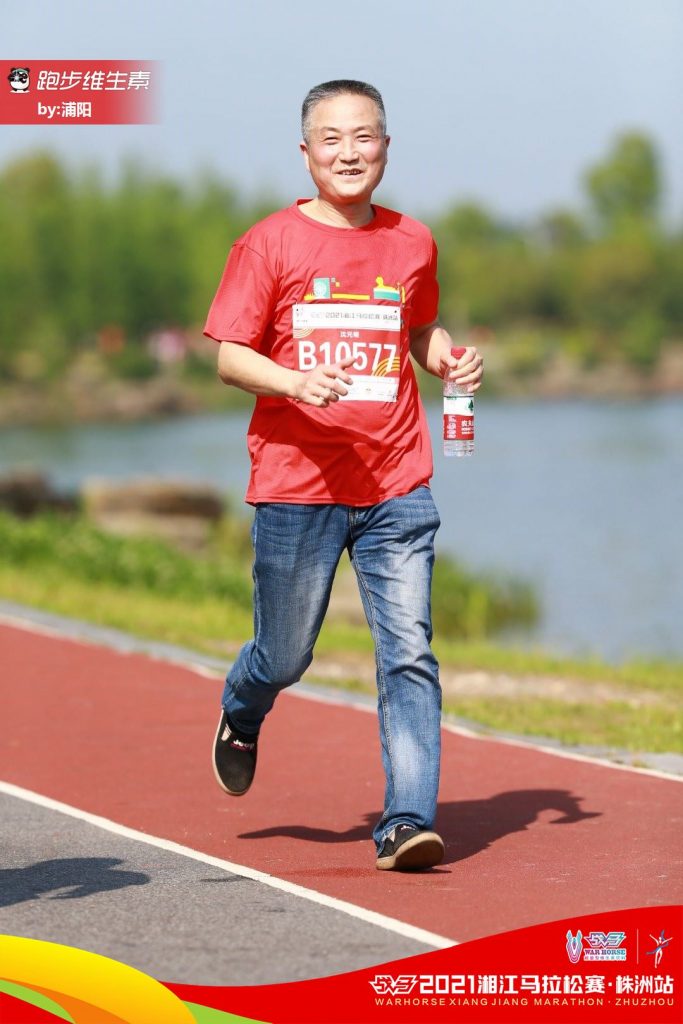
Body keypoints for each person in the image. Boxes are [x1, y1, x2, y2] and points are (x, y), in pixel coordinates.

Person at [204, 79, 483, 871]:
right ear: (306, 152)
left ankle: (404, 821)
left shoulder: (412, 242)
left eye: (364, 137)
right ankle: (243, 704)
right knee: (286, 654)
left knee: (408, 653)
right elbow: (228, 355)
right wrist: (294, 383)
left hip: (396, 480)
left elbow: (418, 330)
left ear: (386, 147)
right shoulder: (270, 243)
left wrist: (450, 360)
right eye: (331, 138)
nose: (349, 152)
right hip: (297, 487)